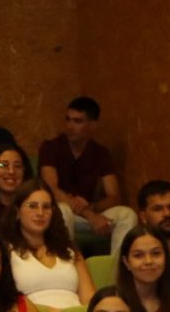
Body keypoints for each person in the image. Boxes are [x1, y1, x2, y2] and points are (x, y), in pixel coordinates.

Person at [36, 96, 137, 251]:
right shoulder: (51, 147)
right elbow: (51, 190)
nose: (70, 126)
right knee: (63, 210)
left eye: (77, 121)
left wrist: (92, 206)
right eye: (68, 120)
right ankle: (68, 266)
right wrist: (89, 214)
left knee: (127, 215)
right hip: (60, 215)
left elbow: (114, 196)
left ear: (92, 125)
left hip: (87, 213)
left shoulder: (101, 153)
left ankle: (118, 272)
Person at [6, 181, 91, 312]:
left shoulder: (70, 250)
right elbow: (6, 303)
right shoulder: (6, 252)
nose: (40, 213)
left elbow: (90, 301)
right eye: (32, 206)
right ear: (17, 212)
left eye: (46, 207)